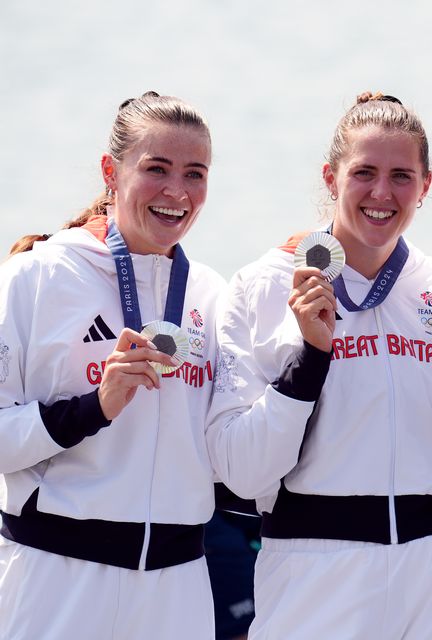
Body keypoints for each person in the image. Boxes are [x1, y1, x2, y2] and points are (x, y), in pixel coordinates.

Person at [206, 92, 432, 638]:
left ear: (425, 186)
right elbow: (241, 469)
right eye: (364, 173)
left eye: (402, 175)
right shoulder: (262, 285)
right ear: (331, 177)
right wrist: (309, 361)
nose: (382, 193)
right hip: (314, 566)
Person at [0, 92, 223, 639]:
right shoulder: (38, 277)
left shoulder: (214, 295)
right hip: (58, 576)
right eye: (157, 169)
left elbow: (228, 449)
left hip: (177, 587)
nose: (177, 192)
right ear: (111, 171)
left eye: (195, 173)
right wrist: (93, 409)